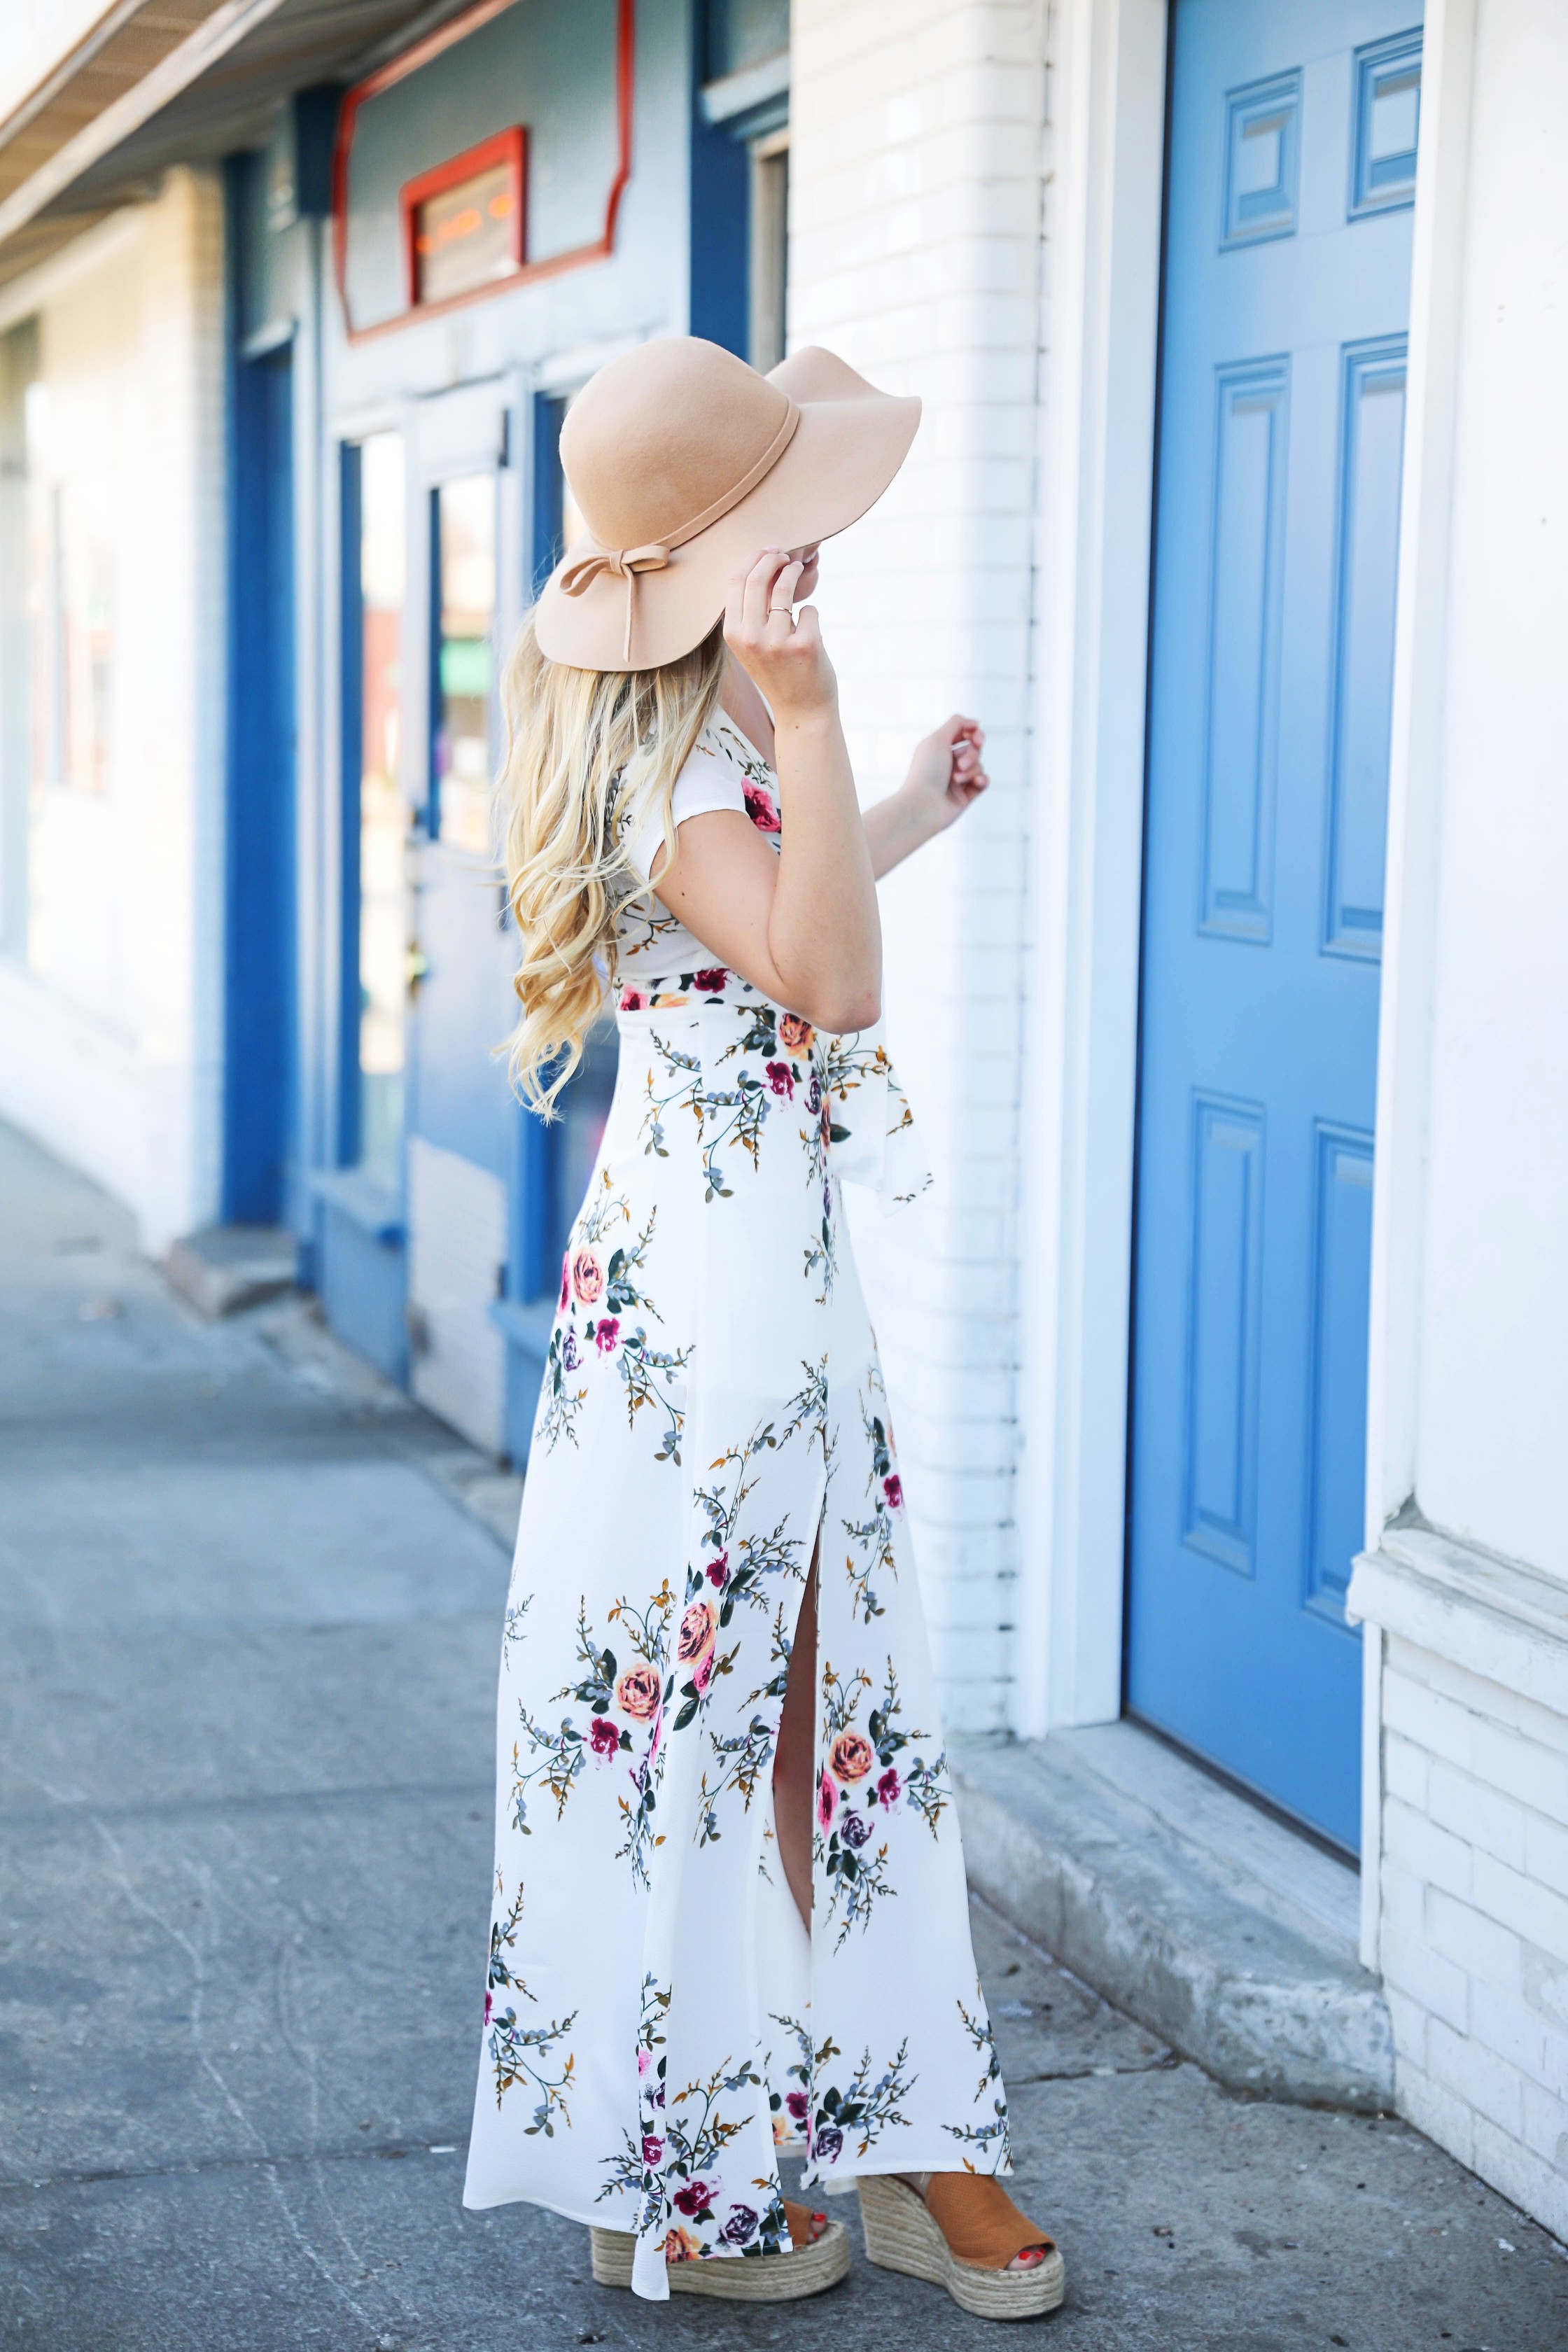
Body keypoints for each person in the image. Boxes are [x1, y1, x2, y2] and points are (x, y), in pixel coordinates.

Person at [462, 336, 1064, 2319]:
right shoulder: (673, 743)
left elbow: (789, 925)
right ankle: (884, 2157)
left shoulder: (701, 717)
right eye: (785, 531)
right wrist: (815, 714)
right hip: (722, 1303)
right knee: (793, 1707)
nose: (814, 560)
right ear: (709, 560)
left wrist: (888, 797)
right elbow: (827, 979)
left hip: (726, 1272)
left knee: (784, 1705)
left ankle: (777, 2153)